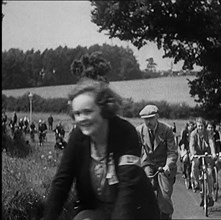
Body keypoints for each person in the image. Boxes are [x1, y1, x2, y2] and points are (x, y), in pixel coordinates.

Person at [43, 78, 159, 220]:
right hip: (98, 210)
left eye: (88, 111)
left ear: (104, 110)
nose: (82, 119)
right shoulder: (77, 138)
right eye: (77, 114)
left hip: (135, 210)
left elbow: (128, 189)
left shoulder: (125, 133)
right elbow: (61, 182)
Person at [136, 104, 178, 219]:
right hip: (147, 164)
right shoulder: (139, 131)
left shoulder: (167, 130)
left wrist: (168, 165)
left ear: (157, 117)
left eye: (151, 118)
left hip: (163, 166)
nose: (148, 122)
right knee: (144, 191)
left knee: (164, 196)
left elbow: (172, 152)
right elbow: (135, 151)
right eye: (145, 119)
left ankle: (165, 215)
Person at [189, 117, 216, 207]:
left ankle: (210, 193)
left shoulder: (208, 133)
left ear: (204, 126)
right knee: (194, 164)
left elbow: (211, 143)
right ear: (196, 126)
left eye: (202, 126)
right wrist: (193, 154)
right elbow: (192, 145)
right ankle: (196, 182)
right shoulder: (193, 134)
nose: (200, 128)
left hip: (206, 154)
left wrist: (213, 153)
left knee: (209, 173)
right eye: (199, 126)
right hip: (197, 154)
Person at [178, 120, 195, 189]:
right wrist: (184, 149)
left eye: (192, 125)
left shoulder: (194, 132)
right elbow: (183, 141)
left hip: (193, 149)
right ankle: (184, 172)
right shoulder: (185, 132)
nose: (191, 127)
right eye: (189, 126)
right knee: (185, 159)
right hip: (186, 147)